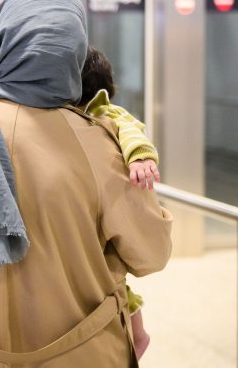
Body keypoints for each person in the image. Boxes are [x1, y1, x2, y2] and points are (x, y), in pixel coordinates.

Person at [0, 0, 172, 368]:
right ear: (73, 51)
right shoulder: (99, 142)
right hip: (85, 354)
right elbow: (151, 254)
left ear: (0, 42)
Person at [81, 46, 161, 359]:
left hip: (110, 211)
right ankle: (137, 336)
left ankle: (138, 337)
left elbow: (132, 131)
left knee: (119, 288)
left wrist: (141, 158)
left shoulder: (105, 112)